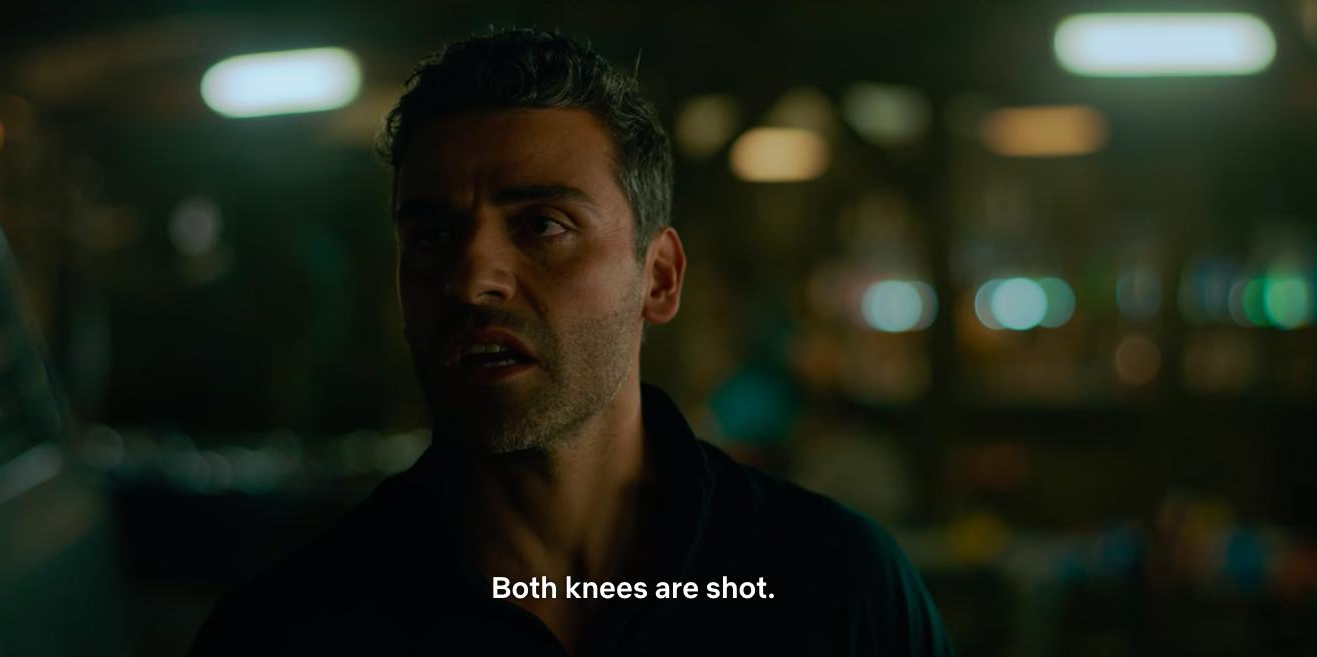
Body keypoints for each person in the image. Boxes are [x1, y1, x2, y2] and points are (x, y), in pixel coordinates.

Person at [190, 28, 954, 656]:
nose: (472, 280)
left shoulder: (835, 588)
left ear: (658, 278)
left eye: (542, 225)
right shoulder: (289, 630)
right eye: (431, 236)